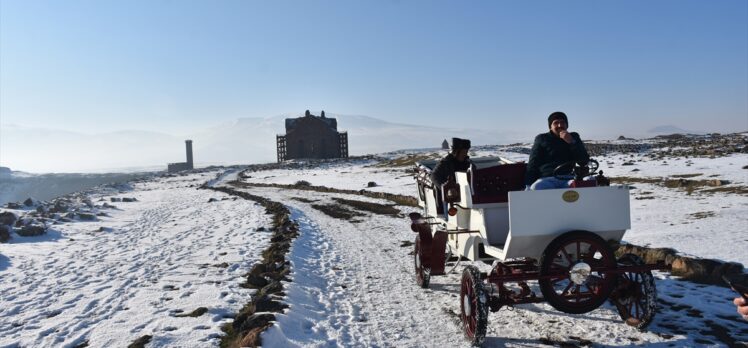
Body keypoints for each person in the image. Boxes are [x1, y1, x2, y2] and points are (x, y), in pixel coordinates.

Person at [525, 111, 590, 190]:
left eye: (562, 122)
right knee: (536, 187)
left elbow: (584, 160)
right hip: (548, 179)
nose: (560, 125)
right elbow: (533, 162)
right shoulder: (542, 138)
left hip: (569, 178)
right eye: (556, 123)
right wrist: (528, 183)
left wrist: (572, 142)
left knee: (587, 183)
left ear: (567, 125)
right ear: (550, 127)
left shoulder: (574, 137)